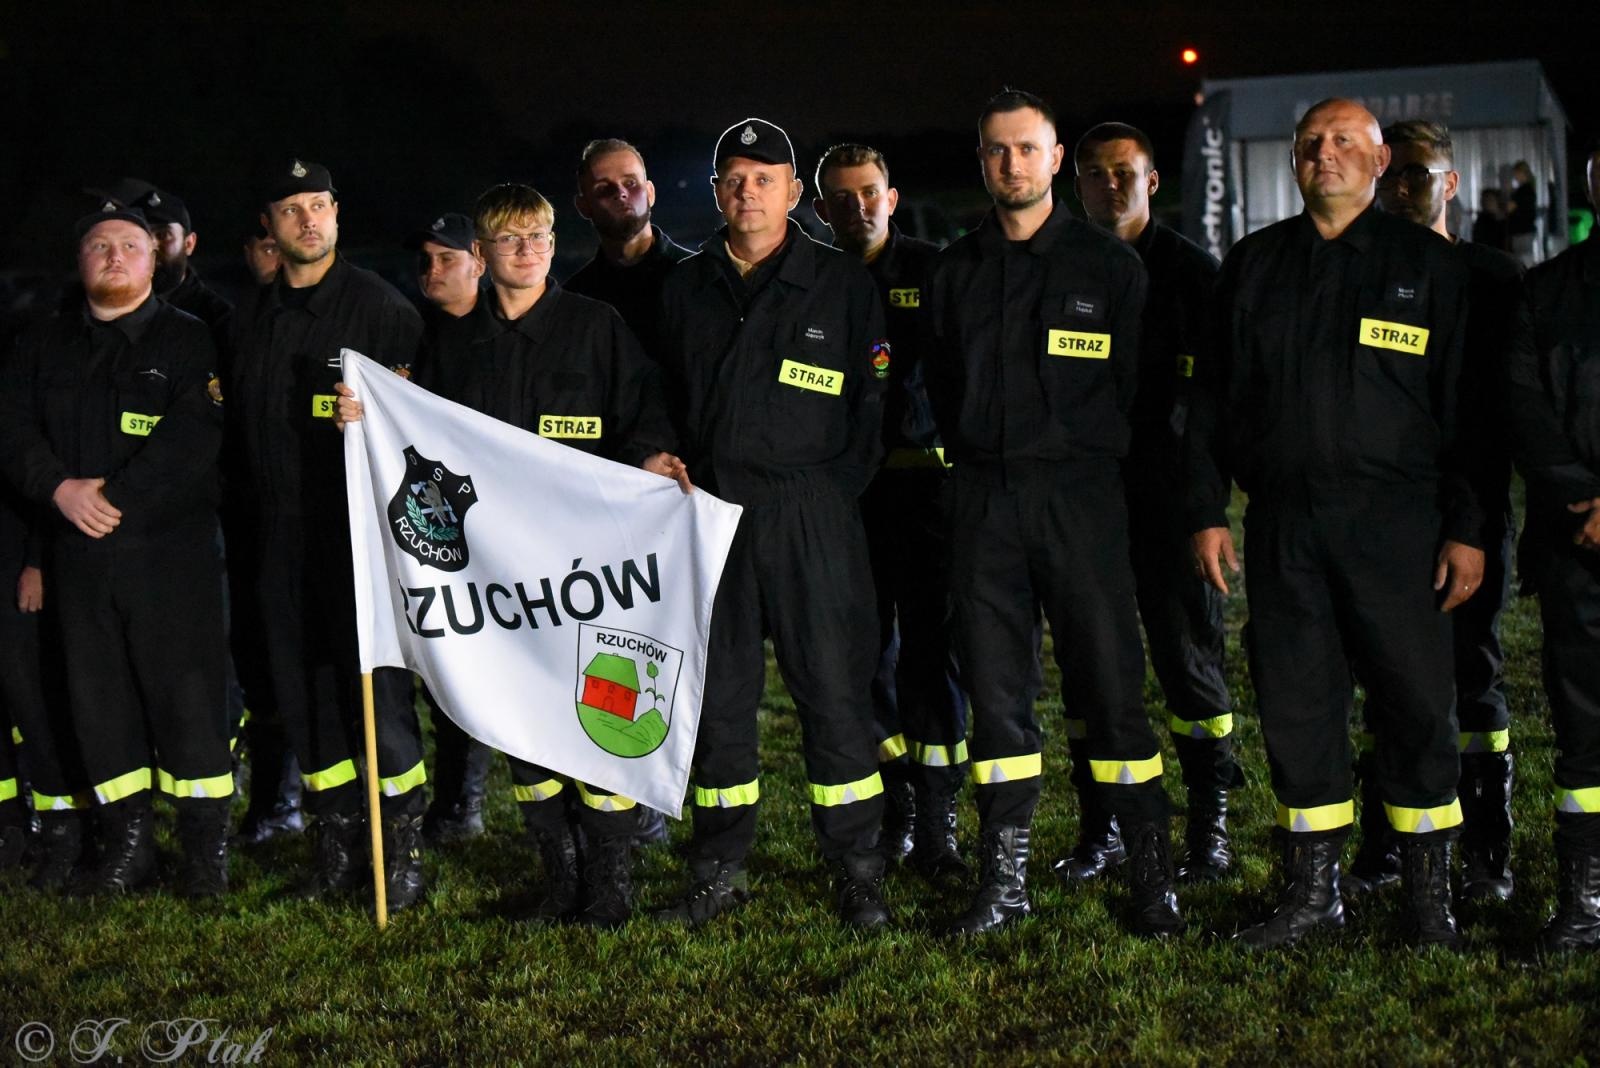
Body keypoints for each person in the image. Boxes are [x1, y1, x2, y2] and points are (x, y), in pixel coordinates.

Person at [337, 182, 687, 927]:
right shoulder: (453, 346)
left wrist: (653, 458)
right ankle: (559, 877)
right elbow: (417, 442)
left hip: (587, 573)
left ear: (552, 247)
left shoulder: (598, 328)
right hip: (496, 579)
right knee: (523, 725)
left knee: (600, 720)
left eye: (537, 238)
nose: (525, 252)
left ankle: (611, 885)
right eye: (509, 240)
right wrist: (367, 416)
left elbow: (643, 417)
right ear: (486, 254)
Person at [1188, 99, 1481, 949]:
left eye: (1345, 141)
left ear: (1381, 160)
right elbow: (1209, 403)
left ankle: (1430, 903)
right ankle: (1314, 896)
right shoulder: (1253, 265)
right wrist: (1207, 511)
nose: (1327, 154)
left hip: (1400, 528)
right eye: (1312, 143)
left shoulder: (1427, 267)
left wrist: (1466, 529)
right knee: (1296, 704)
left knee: (1417, 706)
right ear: (1293, 161)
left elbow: (1468, 414)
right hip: (1284, 526)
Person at [924, 90, 1180, 937]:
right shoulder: (955, 272)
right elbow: (946, 387)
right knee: (998, 696)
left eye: (1026, 150)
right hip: (984, 499)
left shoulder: (1111, 270)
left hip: (1082, 501)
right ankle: (1004, 882)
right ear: (983, 164)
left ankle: (1151, 876)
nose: (1011, 165)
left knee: (1111, 687)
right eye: (997, 152)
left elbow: (1140, 399)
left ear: (1056, 158)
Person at [652, 117, 892, 928]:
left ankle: (857, 865)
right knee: (719, 702)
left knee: (832, 691)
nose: (747, 191)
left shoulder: (844, 286)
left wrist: (825, 496)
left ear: (796, 194)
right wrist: (658, 453)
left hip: (809, 516)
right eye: (733, 178)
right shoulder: (683, 288)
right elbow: (656, 398)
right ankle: (718, 865)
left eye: (765, 178)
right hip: (711, 517)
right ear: (716, 192)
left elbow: (872, 409)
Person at [0, 204, 231, 896]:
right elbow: (12, 433)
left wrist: (119, 499)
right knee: (99, 706)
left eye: (129, 245)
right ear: (79, 261)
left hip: (172, 559)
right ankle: (129, 851)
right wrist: (60, 491)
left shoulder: (190, 340)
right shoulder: (42, 345)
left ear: (154, 260)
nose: (113, 256)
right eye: (98, 245)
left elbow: (195, 438)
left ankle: (203, 859)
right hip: (80, 558)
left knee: (189, 703)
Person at [227, 160, 428, 909]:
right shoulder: (250, 316)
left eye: (321, 205)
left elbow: (424, 434)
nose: (309, 219)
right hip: (278, 540)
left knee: (377, 698)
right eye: (292, 208)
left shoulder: (384, 312)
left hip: (359, 537)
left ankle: (400, 856)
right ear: (270, 228)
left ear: (338, 215)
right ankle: (336, 850)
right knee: (305, 696)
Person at [1070, 121, 1238, 884]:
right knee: (1090, 671)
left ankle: (1210, 829)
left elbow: (1213, 406)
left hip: (1171, 505)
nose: (1112, 184)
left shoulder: (1195, 274)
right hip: (1084, 508)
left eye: (1125, 172)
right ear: (1078, 183)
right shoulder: (1062, 267)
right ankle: (1101, 830)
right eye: (1097, 173)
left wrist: (1207, 511)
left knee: (1188, 665)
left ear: (1152, 180)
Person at [1373, 119, 1524, 903]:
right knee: (1389, 678)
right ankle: (1389, 843)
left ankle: (1488, 849)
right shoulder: (1357, 275)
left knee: (1473, 678)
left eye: (1417, 174)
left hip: (1470, 516)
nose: (1401, 188)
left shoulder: (1496, 280)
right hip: (1381, 518)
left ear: (1452, 183)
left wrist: (1471, 522)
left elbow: (1496, 415)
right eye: (1388, 174)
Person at [811, 142, 967, 879]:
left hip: (928, 494)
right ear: (820, 211)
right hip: (850, 503)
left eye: (869, 192)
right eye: (841, 198)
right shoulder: (813, 284)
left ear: (893, 197)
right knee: (863, 659)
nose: (858, 208)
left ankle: (939, 818)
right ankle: (897, 805)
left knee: (934, 658)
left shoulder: (938, 271)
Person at [1506, 144, 1600, 953]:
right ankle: (1585, 903)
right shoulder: (1547, 291)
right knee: (1585, 726)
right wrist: (1584, 501)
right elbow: (1526, 408)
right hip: (1582, 547)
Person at [400, 211, 494, 846]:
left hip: (500, 527)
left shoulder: (503, 333)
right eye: (427, 260)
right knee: (444, 667)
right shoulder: (408, 334)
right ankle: (457, 801)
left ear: (479, 263)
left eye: (448, 259)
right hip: (435, 528)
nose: (434, 271)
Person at [567, 139, 692, 350]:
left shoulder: (700, 276)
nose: (620, 192)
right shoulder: (575, 299)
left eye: (631, 182)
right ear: (583, 206)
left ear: (650, 192)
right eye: (603, 188)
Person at [129, 186, 233, 337]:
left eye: (163, 235)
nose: (151, 246)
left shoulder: (218, 319)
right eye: (141, 236)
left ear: (189, 243)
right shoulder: (111, 306)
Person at [1508, 161, 1540, 268]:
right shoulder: (1530, 189)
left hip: (1521, 231)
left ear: (1522, 173)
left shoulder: (1522, 190)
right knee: (1526, 259)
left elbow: (1510, 208)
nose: (1515, 177)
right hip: (1527, 230)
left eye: (1516, 173)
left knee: (1523, 261)